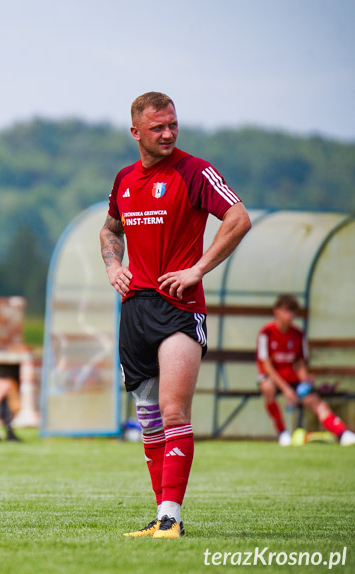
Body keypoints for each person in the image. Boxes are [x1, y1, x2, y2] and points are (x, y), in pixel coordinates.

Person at [99, 92, 252, 539]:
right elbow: (110, 227)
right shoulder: (125, 179)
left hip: (179, 307)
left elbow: (238, 219)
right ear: (136, 133)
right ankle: (160, 516)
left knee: (172, 410)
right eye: (157, 128)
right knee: (146, 416)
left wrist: (198, 268)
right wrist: (113, 264)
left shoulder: (194, 170)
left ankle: (172, 516)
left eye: (173, 125)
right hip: (136, 309)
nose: (168, 134)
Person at [257, 294, 355, 447]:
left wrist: (305, 382)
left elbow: (301, 364)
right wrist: (287, 390)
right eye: (286, 311)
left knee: (315, 401)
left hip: (293, 379)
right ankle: (282, 432)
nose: (289, 316)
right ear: (276, 311)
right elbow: (267, 367)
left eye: (292, 312)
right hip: (274, 379)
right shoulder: (266, 333)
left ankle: (342, 433)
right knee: (267, 388)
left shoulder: (298, 335)